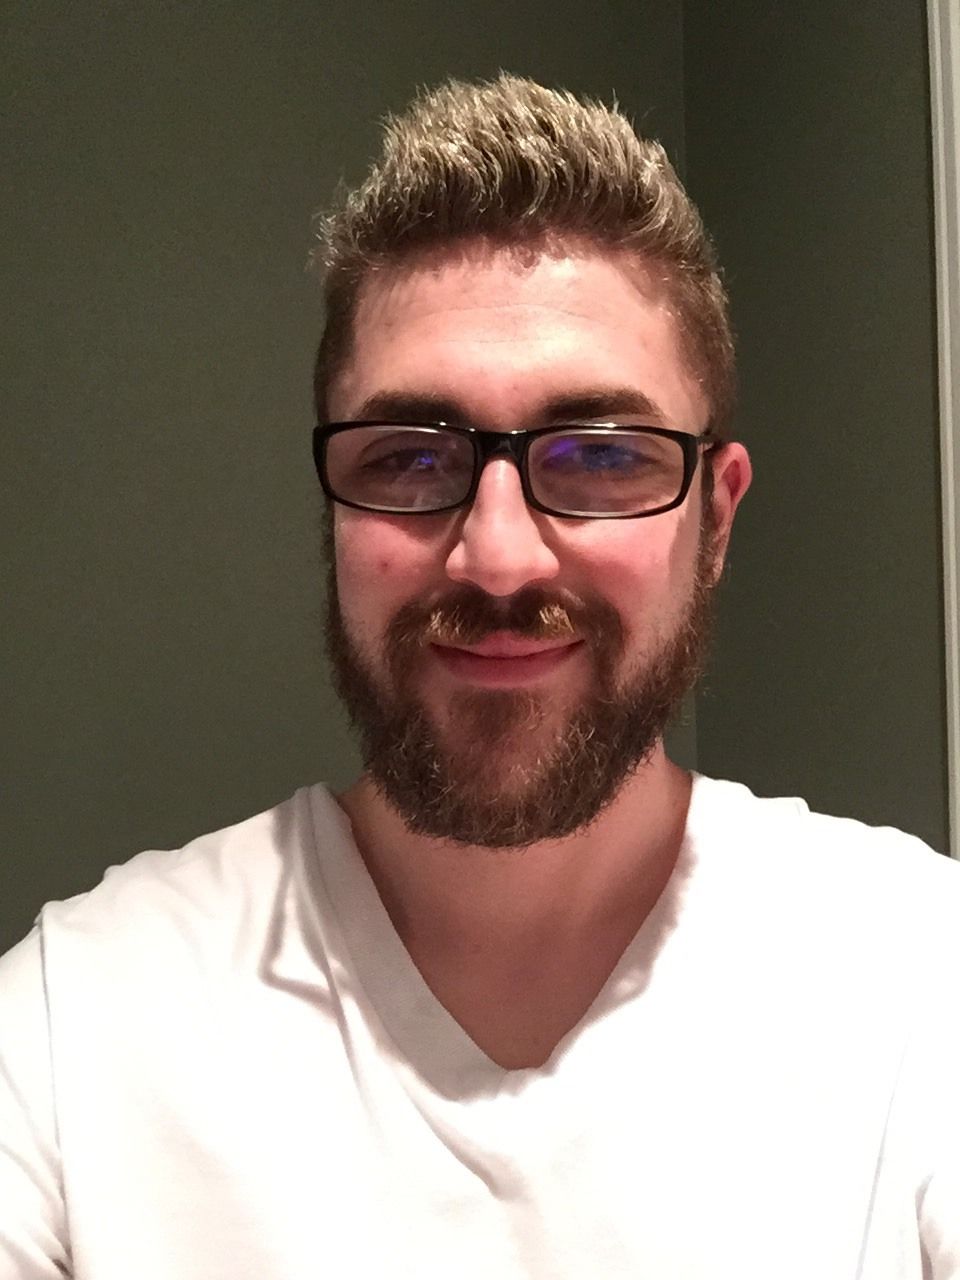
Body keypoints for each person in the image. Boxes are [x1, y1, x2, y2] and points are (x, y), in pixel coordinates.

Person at [1, 74, 957, 1280]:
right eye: (409, 457)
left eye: (600, 455)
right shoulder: (79, 1030)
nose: (498, 555)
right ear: (333, 509)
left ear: (716, 518)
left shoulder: (918, 985)